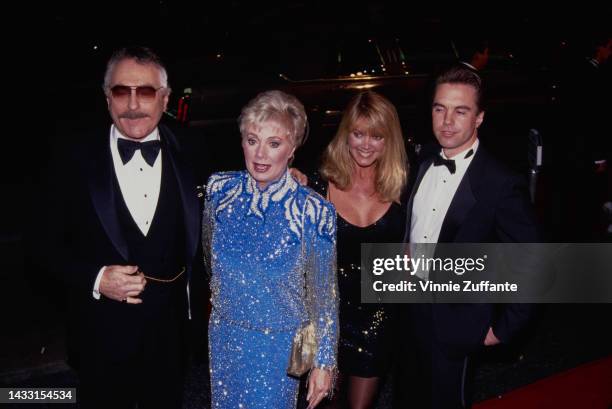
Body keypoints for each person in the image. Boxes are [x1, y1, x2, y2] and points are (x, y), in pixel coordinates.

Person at [34, 47, 200, 408]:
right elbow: (41, 243)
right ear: (107, 96)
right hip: (99, 339)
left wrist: (298, 178)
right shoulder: (72, 157)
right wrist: (96, 278)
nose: (133, 106)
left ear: (166, 98)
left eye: (146, 92)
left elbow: (246, 188)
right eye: (122, 92)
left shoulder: (191, 152)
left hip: (170, 340)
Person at [394, 65, 540, 409]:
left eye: (461, 111)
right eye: (439, 108)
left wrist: (504, 329)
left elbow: (532, 261)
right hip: (410, 310)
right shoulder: (424, 159)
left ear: (479, 118)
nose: (447, 121)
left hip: (457, 322)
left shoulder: (500, 183)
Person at [202, 90, 338, 409]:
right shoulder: (218, 190)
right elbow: (209, 261)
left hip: (281, 346)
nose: (261, 154)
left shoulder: (313, 211)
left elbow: (323, 297)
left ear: (292, 149)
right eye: (252, 140)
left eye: (274, 143)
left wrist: (323, 363)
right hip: (225, 337)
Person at [308, 91, 408, 409]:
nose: (366, 144)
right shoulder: (317, 185)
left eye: (376, 136)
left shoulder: (404, 184)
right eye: (358, 133)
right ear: (345, 134)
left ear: (388, 139)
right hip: (328, 320)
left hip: (379, 318)